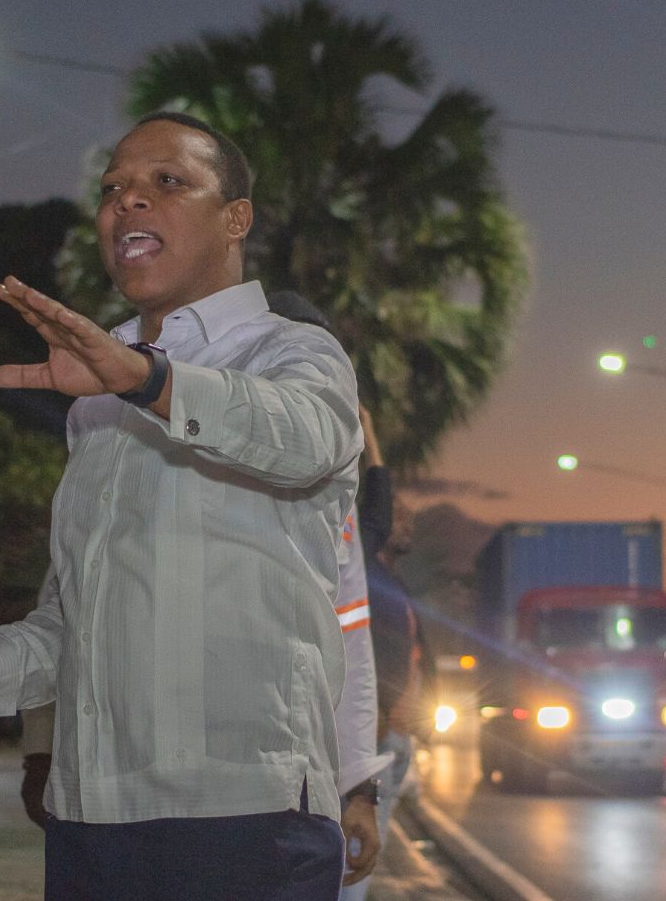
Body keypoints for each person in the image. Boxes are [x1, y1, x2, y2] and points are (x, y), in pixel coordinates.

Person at [0, 112, 362, 901]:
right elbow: (76, 620)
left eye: (167, 182)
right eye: (113, 189)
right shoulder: (92, 400)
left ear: (236, 218)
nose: (127, 202)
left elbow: (310, 440)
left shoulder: (289, 353)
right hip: (91, 815)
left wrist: (149, 380)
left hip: (242, 814)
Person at [268, 290, 390, 891]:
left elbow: (352, 656)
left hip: (289, 793)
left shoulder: (332, 495)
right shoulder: (164, 442)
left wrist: (359, 791)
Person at [360, 436, 430, 877]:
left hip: (398, 733)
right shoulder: (365, 575)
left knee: (370, 849)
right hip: (380, 730)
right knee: (360, 852)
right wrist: (370, 438)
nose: (409, 525)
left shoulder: (393, 582)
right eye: (400, 517)